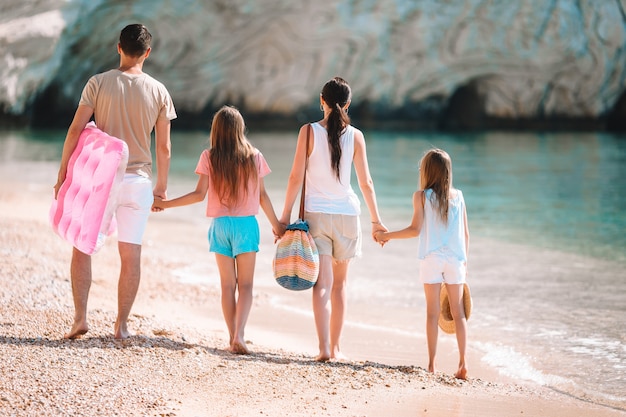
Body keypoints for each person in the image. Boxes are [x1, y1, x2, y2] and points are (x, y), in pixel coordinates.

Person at [53, 24, 177, 339]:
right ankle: (121, 327)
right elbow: (163, 147)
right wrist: (161, 186)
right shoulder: (159, 91)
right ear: (148, 53)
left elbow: (75, 131)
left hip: (102, 180)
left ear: (117, 47)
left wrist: (64, 173)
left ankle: (80, 318)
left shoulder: (97, 83)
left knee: (82, 246)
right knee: (130, 253)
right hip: (138, 181)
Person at [152, 105, 284, 354]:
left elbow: (198, 195)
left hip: (220, 226)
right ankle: (240, 335)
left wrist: (166, 204)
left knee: (227, 286)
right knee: (245, 286)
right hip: (246, 226)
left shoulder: (209, 156)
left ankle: (231, 336)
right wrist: (277, 226)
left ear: (216, 131)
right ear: (240, 129)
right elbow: (263, 196)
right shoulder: (254, 156)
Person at [279, 77, 386, 362]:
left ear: (321, 101)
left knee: (322, 285)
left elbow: (294, 177)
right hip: (348, 216)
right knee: (340, 287)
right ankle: (337, 348)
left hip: (317, 217)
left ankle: (324, 348)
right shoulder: (357, 136)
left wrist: (284, 216)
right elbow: (367, 183)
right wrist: (376, 221)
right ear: (348, 104)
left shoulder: (308, 132)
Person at [374, 148, 470, 379]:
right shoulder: (459, 196)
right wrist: (464, 263)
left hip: (431, 259)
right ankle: (463, 363)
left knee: (432, 313)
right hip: (456, 260)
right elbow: (466, 235)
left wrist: (386, 236)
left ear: (427, 171)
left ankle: (431, 365)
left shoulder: (421, 196)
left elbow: (415, 230)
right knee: (459, 313)